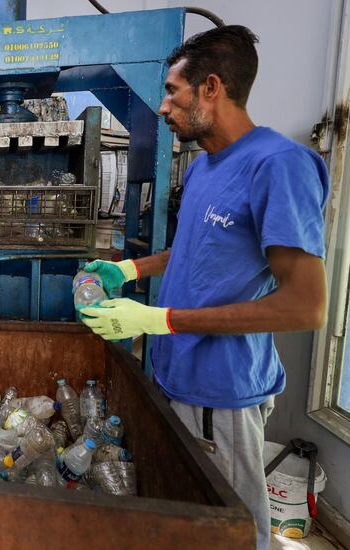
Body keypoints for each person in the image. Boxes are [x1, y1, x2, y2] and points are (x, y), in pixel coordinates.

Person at [80, 26, 328, 550]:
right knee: (187, 521)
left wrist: (161, 320)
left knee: (233, 531)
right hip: (178, 375)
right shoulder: (204, 168)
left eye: (173, 91)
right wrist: (129, 271)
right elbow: (195, 252)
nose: (164, 106)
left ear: (211, 87)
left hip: (223, 391)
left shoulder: (278, 166)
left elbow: (305, 306)